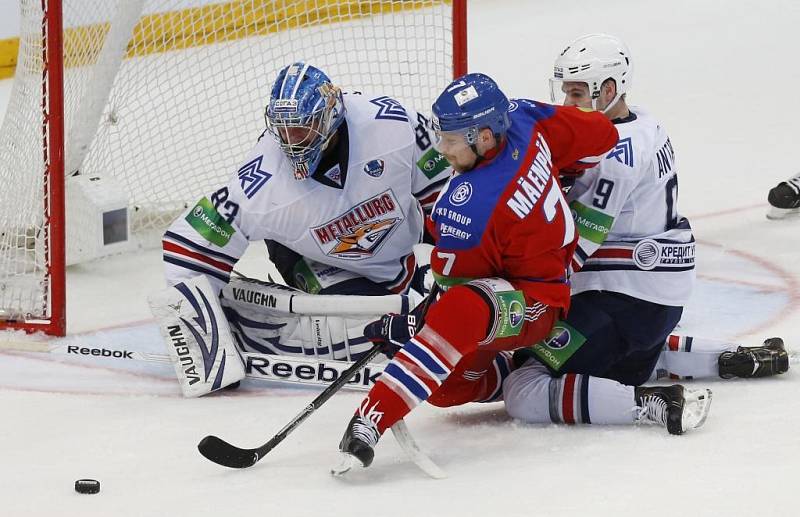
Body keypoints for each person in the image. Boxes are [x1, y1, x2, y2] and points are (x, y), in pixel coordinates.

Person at [332, 72, 619, 474]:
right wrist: (559, 174)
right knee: (446, 390)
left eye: (451, 140)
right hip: (539, 267)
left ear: (484, 137)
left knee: (461, 311)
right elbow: (601, 135)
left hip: (538, 300)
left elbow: (459, 301)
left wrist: (417, 325)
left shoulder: (468, 207)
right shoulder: (522, 117)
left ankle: (370, 419)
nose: (442, 148)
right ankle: (516, 371)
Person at [503, 34, 784, 435]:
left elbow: (575, 248)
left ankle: (646, 403)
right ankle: (730, 357)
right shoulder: (646, 121)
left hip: (623, 302)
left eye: (579, 92)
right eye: (565, 91)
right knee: (617, 359)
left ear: (611, 89)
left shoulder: (613, 155)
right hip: (654, 300)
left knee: (522, 383)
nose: (568, 103)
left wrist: (512, 279)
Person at [148, 62, 452, 396]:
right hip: (314, 256)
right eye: (284, 128)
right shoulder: (261, 183)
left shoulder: (391, 125)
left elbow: (445, 184)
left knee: (443, 304)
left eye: (303, 127)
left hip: (396, 244)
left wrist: (456, 259)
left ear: (332, 115)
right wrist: (205, 348)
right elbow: (187, 244)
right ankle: (262, 329)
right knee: (375, 329)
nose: (292, 141)